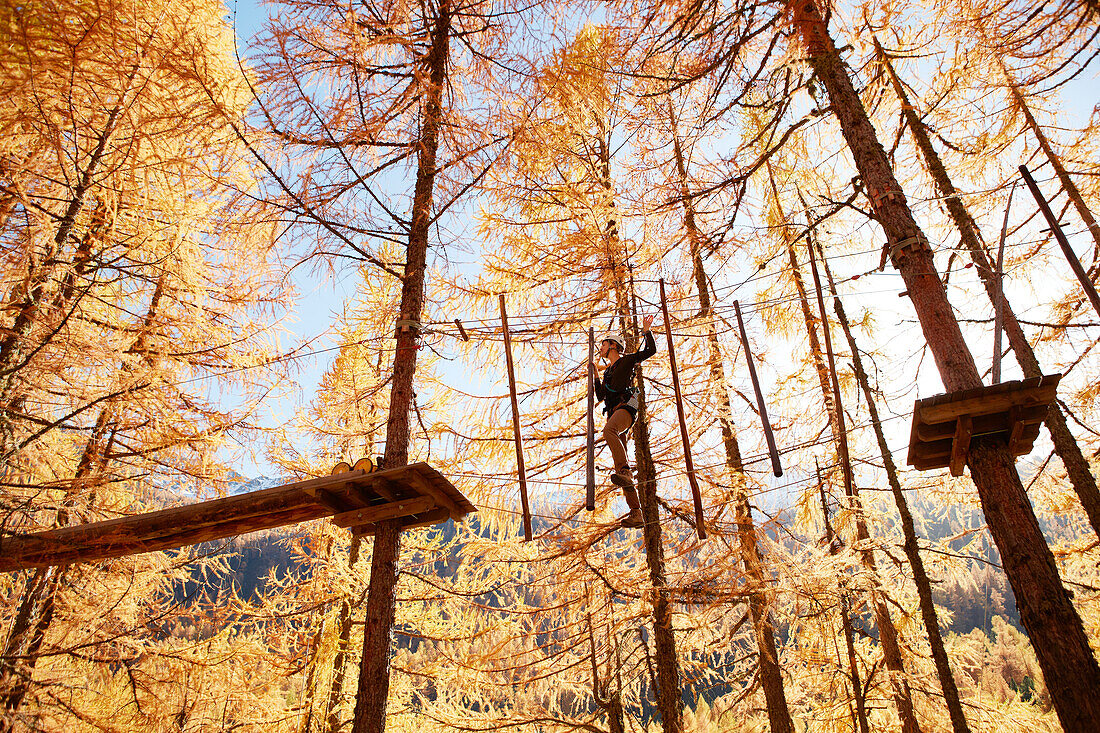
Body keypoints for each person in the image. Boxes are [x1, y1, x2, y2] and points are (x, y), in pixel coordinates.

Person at [591, 315, 657, 528]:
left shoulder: (627, 360)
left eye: (603, 343)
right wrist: (595, 376)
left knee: (608, 432)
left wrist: (646, 331)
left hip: (626, 408)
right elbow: (601, 395)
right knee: (622, 468)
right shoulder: (609, 371)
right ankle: (636, 512)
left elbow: (649, 352)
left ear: (612, 345)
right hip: (615, 412)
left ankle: (626, 471)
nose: (600, 347)